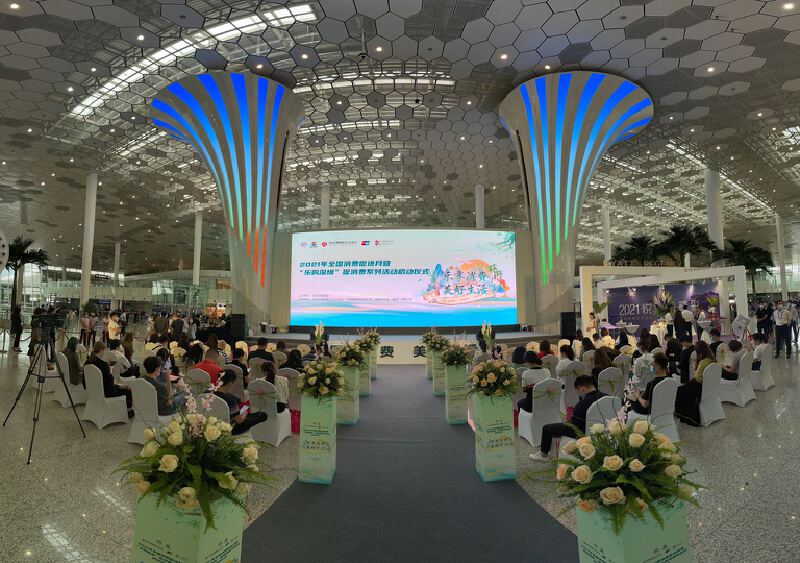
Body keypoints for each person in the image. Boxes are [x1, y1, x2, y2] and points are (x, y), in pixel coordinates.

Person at [528, 375, 606, 462]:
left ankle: (544, 455)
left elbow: (574, 426)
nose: (578, 394)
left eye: (578, 391)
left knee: (547, 428)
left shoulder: (582, 404)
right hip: (604, 430)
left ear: (582, 388)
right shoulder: (607, 397)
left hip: (582, 431)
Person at [85, 342, 133, 417]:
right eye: (104, 351)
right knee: (128, 390)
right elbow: (110, 383)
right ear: (101, 351)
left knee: (121, 387)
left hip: (92, 391)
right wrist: (110, 372)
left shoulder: (87, 362)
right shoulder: (103, 365)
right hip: (105, 391)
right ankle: (129, 411)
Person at [214, 369, 268, 435]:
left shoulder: (208, 392)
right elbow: (239, 421)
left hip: (213, 425)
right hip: (231, 428)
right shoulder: (230, 401)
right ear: (229, 384)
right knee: (262, 415)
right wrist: (245, 413)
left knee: (247, 414)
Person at [675, 341, 715, 426]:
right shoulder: (712, 359)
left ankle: (684, 415)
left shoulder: (703, 362)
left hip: (700, 386)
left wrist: (696, 369)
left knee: (680, 390)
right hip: (710, 387)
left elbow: (698, 379)